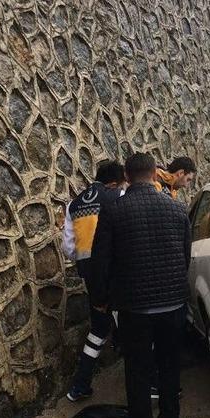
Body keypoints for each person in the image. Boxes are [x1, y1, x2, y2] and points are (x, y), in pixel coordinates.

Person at [89, 152, 192, 418]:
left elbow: (101, 260)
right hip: (173, 304)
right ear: (153, 173)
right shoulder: (177, 209)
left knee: (137, 371)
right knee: (170, 366)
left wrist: (101, 299)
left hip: (134, 308)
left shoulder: (114, 211)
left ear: (128, 176)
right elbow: (185, 255)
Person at [62, 160, 125, 402]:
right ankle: (146, 384)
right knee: (131, 328)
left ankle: (79, 385)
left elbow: (68, 248)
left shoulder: (73, 205)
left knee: (98, 329)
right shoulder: (117, 196)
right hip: (116, 273)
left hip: (91, 277)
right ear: (113, 183)